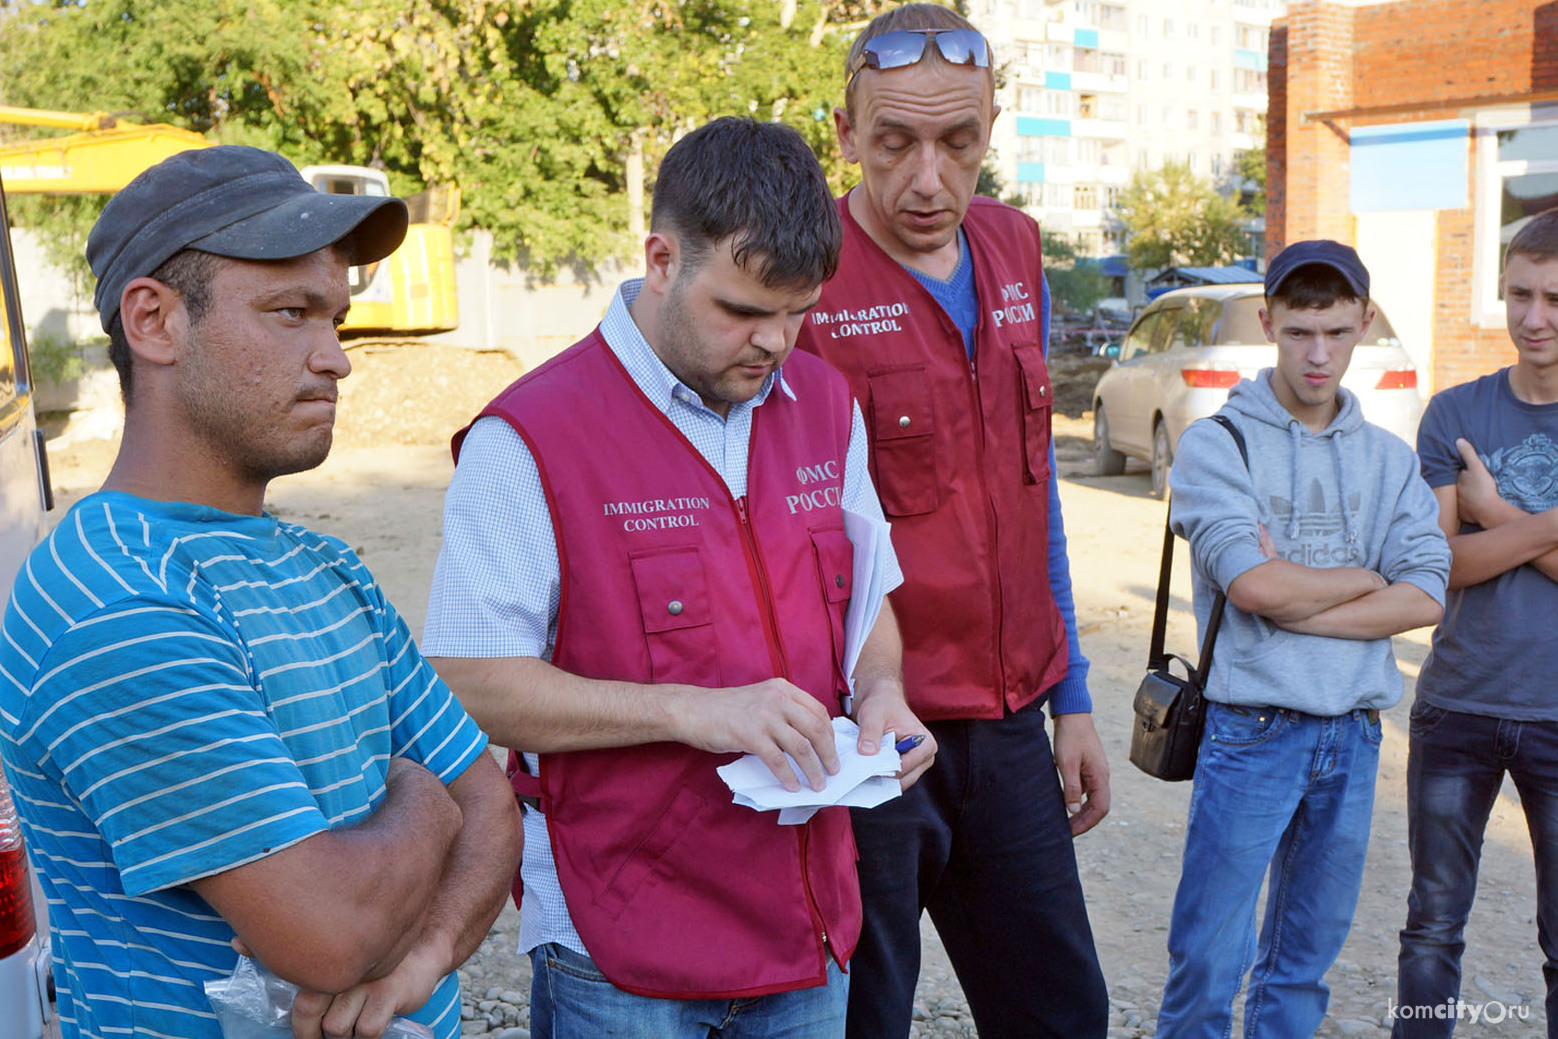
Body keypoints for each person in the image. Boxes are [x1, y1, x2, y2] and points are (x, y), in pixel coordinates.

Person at [421, 116, 934, 1039]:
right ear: (661, 258)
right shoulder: (530, 437)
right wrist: (692, 709)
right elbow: (470, 683)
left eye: (799, 310)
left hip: (806, 927)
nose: (777, 340)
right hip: (622, 947)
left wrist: (885, 692)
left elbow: (870, 605)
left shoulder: (825, 406)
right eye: (742, 311)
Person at [0, 145, 522, 1039]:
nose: (336, 359)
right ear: (155, 321)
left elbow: (496, 810)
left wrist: (421, 964)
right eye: (290, 313)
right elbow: (333, 933)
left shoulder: (324, 567)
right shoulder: (117, 600)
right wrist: (423, 798)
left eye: (336, 318)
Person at [791, 6, 1111, 1036]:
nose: (927, 180)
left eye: (957, 143)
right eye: (893, 143)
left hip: (1012, 722)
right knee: (865, 1016)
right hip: (871, 733)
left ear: (989, 131)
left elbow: (1032, 492)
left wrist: (1074, 698)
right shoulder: (800, 276)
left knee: (1062, 1013)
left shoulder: (1016, 251)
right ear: (844, 134)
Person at [1159, 240, 1450, 1038]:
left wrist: (1299, 594)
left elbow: (1426, 590)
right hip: (1251, 731)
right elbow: (1252, 585)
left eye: (1335, 332)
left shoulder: (1390, 461)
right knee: (1209, 963)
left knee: (1301, 967)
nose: (1317, 355)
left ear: (1362, 323)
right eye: (1297, 332)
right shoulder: (1220, 443)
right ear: (1268, 324)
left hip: (1353, 736)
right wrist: (1364, 578)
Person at [1393, 207, 1558, 1037]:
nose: (1535, 317)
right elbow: (1441, 564)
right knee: (1431, 929)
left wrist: (1492, 511)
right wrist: (1539, 522)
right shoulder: (1455, 414)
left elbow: (1471, 540)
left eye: (1555, 298)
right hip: (1458, 703)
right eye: (1520, 294)